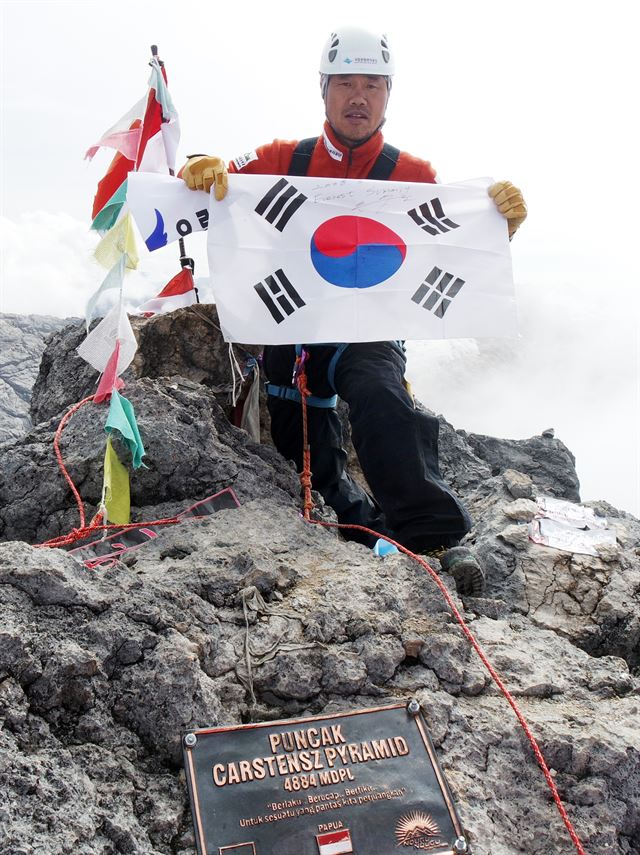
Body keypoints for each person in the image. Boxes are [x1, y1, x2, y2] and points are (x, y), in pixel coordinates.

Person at [180, 26, 527, 596]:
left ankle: (434, 534)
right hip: (292, 337)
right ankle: (365, 530)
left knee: (382, 398)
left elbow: (445, 248)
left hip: (368, 335)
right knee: (306, 463)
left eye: (372, 85)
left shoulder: (413, 175)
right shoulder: (279, 159)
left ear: (389, 95)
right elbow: (199, 193)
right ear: (324, 91)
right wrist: (197, 166)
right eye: (346, 83)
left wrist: (498, 227)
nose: (358, 96)